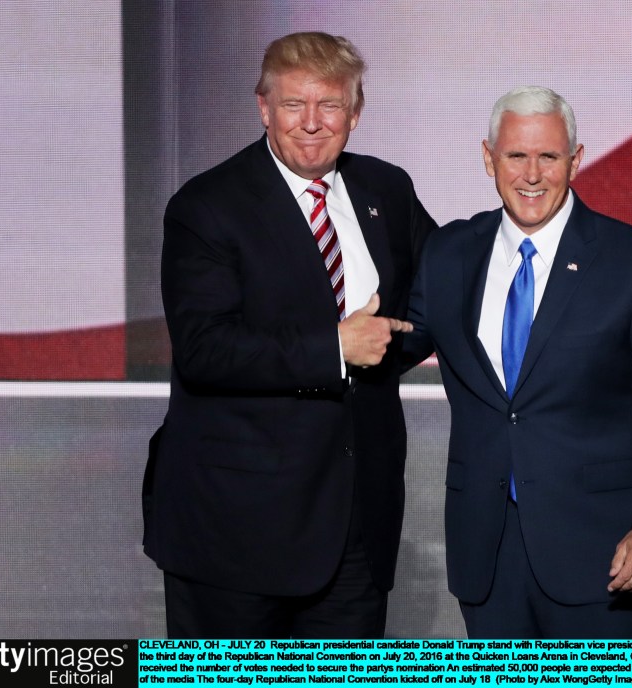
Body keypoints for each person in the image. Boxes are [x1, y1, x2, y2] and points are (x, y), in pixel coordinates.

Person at [142, 32, 436, 638]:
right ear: (263, 108)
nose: (311, 123)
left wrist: (378, 353)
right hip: (234, 529)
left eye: (329, 105)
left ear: (354, 113)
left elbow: (439, 290)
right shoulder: (206, 206)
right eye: (293, 104)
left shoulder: (387, 188)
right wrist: (335, 348)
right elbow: (204, 350)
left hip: (357, 526)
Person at [403, 86, 632, 638]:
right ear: (488, 158)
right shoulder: (448, 254)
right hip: (487, 552)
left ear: (577, 159)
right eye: (516, 155)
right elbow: (386, 345)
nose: (532, 174)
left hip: (608, 554)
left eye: (549, 156)